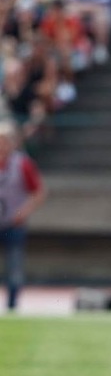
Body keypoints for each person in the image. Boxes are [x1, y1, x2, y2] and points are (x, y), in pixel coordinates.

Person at [0, 121, 47, 311]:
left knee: (14, 266)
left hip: (13, 223)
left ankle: (12, 304)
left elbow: (39, 193)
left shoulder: (22, 164)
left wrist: (22, 212)